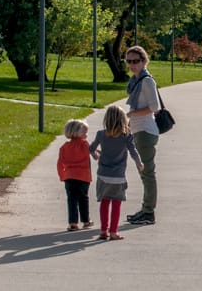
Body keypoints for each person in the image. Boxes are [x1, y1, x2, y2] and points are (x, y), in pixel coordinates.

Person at [89, 105, 143, 240]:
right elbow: (133, 152)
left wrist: (96, 156)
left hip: (103, 174)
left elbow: (91, 148)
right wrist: (139, 164)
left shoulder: (101, 134)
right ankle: (113, 231)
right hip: (118, 176)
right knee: (116, 204)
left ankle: (103, 230)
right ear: (123, 120)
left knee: (104, 202)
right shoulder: (126, 136)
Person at [123, 45, 160, 225]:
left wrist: (132, 114)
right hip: (138, 130)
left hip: (146, 131)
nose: (132, 65)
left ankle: (148, 212)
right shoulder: (135, 80)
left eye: (136, 61)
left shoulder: (147, 81)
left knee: (147, 173)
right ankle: (145, 209)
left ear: (144, 61)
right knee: (144, 173)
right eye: (129, 61)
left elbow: (155, 107)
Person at [56, 119, 93, 231]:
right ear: (77, 133)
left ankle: (73, 223)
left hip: (69, 176)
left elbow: (60, 163)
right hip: (83, 176)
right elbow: (92, 152)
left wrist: (62, 175)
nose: (86, 134)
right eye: (85, 132)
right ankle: (86, 221)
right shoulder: (84, 144)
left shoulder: (64, 147)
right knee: (83, 198)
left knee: (71, 200)